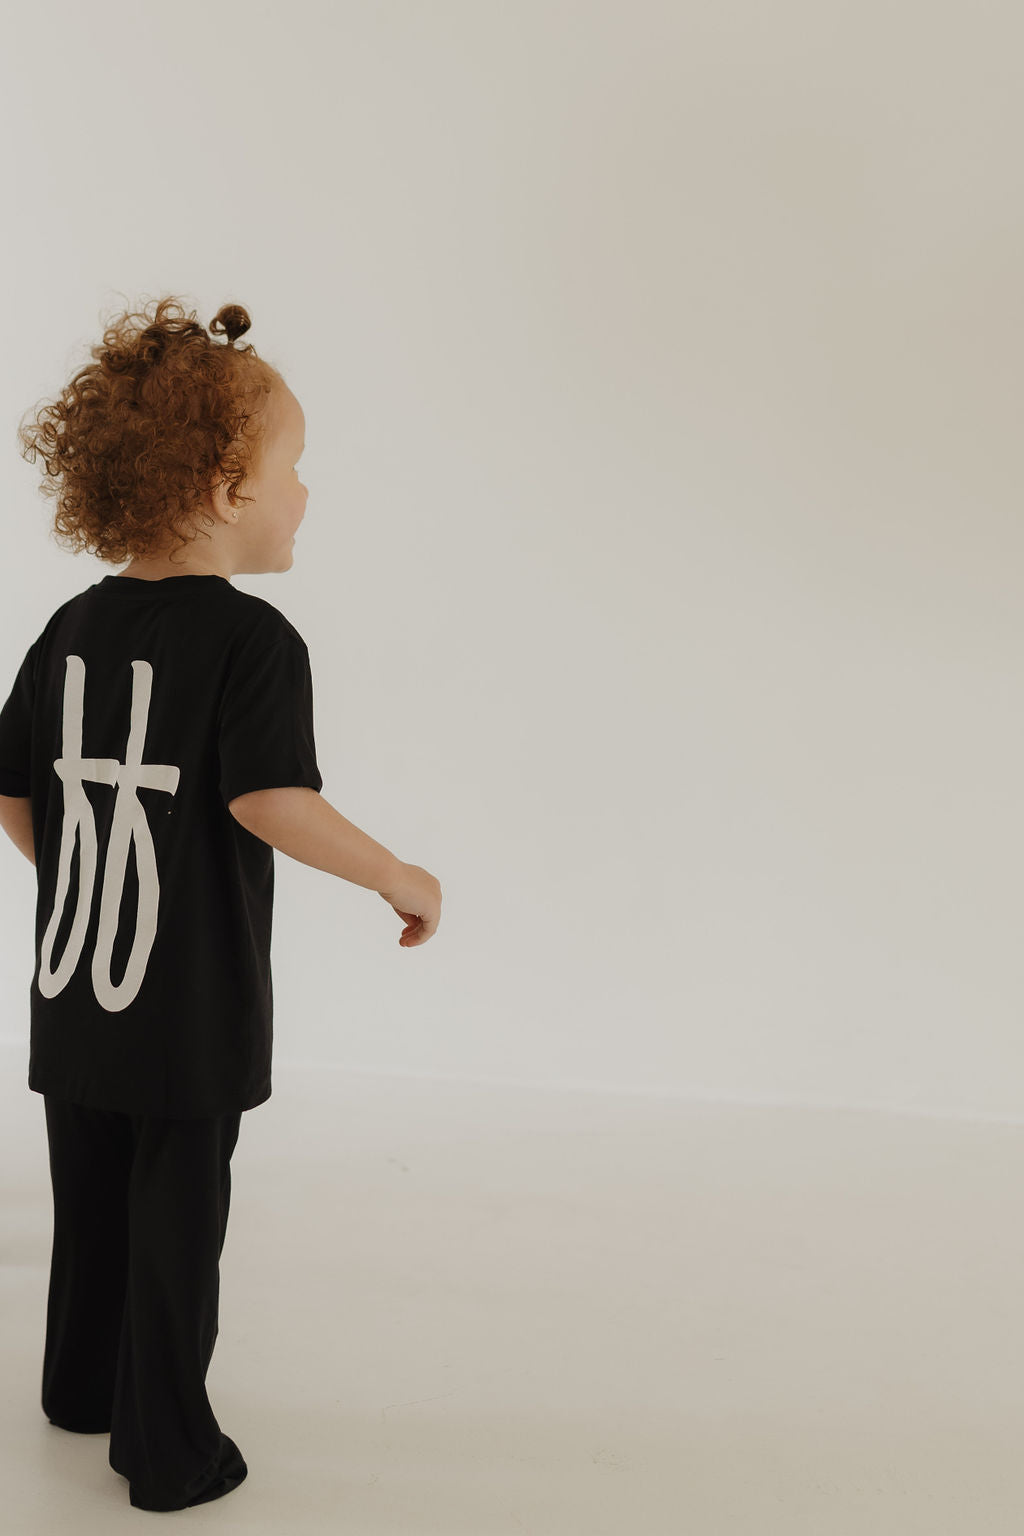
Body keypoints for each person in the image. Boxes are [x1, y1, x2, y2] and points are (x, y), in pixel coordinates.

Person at [0, 295, 442, 1511]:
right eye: (294, 469)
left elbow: (13, 785)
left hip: (74, 986)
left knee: (90, 1204)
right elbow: (269, 802)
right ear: (222, 485)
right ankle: (168, 1449)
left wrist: (83, 880)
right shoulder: (251, 644)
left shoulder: (69, 629)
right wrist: (399, 875)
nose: (306, 495)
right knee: (175, 1223)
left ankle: (81, 1391)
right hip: (184, 1005)